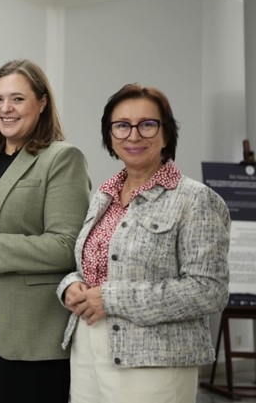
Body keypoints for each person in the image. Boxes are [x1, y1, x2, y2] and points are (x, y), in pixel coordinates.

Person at [56, 83, 230, 403]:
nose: (133, 136)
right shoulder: (103, 196)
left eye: (147, 124)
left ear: (166, 133)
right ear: (110, 135)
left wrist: (111, 299)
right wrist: (70, 286)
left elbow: (208, 290)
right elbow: (90, 268)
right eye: (122, 125)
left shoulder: (195, 200)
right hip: (87, 349)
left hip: (155, 360)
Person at [0, 59, 91, 403]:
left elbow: (67, 245)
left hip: (29, 332)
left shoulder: (62, 158)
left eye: (17, 99)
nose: (5, 108)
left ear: (42, 102)